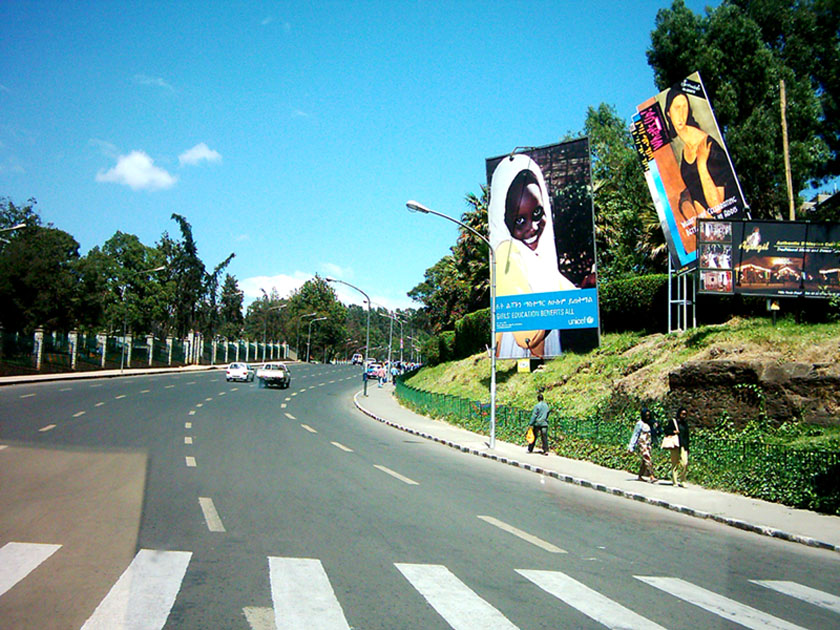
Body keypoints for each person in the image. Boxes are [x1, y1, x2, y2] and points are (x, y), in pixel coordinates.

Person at [488, 154, 577, 359]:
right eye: (520, 220)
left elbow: (572, 298)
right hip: (517, 360)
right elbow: (526, 335)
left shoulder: (539, 260)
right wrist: (560, 309)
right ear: (504, 219)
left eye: (537, 213)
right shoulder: (507, 255)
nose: (532, 228)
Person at [664, 85, 737, 217]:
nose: (681, 113)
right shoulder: (685, 153)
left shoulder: (709, 147)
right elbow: (698, 202)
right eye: (677, 108)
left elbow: (717, 207)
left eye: (684, 107)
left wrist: (701, 163)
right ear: (668, 113)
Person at [627, 408, 658, 483]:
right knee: (647, 458)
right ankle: (651, 476)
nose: (647, 417)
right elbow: (635, 435)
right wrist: (631, 447)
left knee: (645, 460)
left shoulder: (650, 423)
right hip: (642, 443)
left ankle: (640, 475)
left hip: (648, 443)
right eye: (646, 415)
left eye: (648, 415)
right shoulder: (640, 424)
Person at [664, 407, 690, 486]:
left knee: (685, 463)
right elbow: (666, 430)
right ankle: (675, 481)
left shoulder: (685, 424)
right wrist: (673, 431)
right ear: (679, 414)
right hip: (675, 444)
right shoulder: (673, 422)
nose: (684, 416)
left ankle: (683, 480)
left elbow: (687, 435)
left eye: (685, 414)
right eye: (682, 414)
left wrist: (687, 447)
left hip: (683, 445)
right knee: (675, 463)